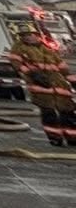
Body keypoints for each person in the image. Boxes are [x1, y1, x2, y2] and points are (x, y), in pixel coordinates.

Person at [10, 16, 75, 147]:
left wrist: (73, 80)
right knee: (49, 114)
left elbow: (63, 68)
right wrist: (33, 75)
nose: (27, 37)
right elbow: (17, 65)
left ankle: (72, 138)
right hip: (41, 88)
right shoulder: (19, 49)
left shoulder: (47, 50)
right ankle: (55, 138)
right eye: (24, 35)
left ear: (36, 35)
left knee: (68, 114)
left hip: (60, 87)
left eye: (30, 34)